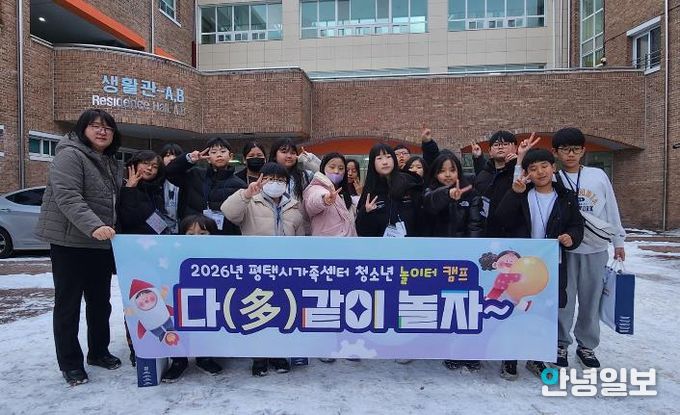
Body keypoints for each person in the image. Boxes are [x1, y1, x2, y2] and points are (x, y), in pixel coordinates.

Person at [36, 109, 124, 386]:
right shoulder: (70, 155)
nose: (102, 131)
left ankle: (98, 352)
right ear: (82, 129)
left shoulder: (110, 161)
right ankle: (70, 363)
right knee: (68, 305)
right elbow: (68, 196)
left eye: (107, 127)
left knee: (100, 303)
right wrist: (94, 226)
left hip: (100, 243)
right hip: (70, 242)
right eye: (95, 126)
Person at [495, 148, 584, 380]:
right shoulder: (522, 193)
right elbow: (501, 220)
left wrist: (571, 237)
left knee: (544, 312)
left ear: (553, 168)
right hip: (521, 267)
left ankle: (535, 357)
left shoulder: (566, 197)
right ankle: (510, 357)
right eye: (533, 169)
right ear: (527, 173)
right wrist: (514, 194)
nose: (540, 172)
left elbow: (577, 226)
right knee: (516, 310)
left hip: (552, 265)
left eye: (544, 166)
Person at [552, 127, 626, 368]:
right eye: (565, 149)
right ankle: (560, 343)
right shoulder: (553, 178)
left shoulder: (598, 176)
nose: (570, 154)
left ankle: (587, 345)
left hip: (595, 248)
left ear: (583, 150)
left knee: (591, 300)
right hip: (565, 250)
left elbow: (611, 207)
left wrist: (618, 240)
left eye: (575, 149)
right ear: (556, 152)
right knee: (564, 300)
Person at [221, 162, 304, 375]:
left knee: (281, 311)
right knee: (257, 312)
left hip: (284, 269)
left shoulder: (294, 206)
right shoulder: (250, 201)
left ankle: (278, 355)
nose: (275, 183)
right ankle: (259, 358)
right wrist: (246, 194)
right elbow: (228, 212)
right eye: (270, 178)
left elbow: (301, 239)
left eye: (281, 180)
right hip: (256, 268)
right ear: (261, 179)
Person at [422, 152, 483, 371]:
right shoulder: (429, 191)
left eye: (452, 170)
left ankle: (470, 351)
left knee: (465, 307)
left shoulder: (471, 194)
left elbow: (475, 226)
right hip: (438, 260)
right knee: (444, 306)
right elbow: (430, 204)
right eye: (442, 171)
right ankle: (450, 349)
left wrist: (471, 255)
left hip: (464, 263)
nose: (447, 175)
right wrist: (448, 194)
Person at [160, 215, 225, 382]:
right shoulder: (174, 253)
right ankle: (178, 361)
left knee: (206, 326)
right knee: (179, 327)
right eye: (190, 234)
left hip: (207, 298)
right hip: (181, 299)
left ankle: (204, 358)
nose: (196, 237)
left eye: (203, 234)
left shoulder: (218, 252)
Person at [165, 137, 246, 235]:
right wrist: (189, 159)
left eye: (223, 151)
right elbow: (169, 173)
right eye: (214, 152)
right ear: (208, 159)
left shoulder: (239, 185)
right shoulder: (194, 175)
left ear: (231, 156)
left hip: (225, 236)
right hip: (194, 233)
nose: (219, 155)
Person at [356, 143, 424, 238]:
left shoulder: (409, 182)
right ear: (372, 163)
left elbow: (421, 216)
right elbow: (362, 231)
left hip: (410, 243)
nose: (385, 162)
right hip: (380, 244)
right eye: (379, 158)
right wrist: (366, 213)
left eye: (388, 157)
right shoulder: (370, 189)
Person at [472, 131, 519, 237]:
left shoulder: (520, 171)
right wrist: (478, 158)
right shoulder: (483, 174)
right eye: (496, 145)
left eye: (505, 144)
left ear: (515, 148)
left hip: (512, 234)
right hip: (486, 232)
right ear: (490, 151)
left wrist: (515, 164)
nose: (500, 147)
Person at [304, 152, 357, 237]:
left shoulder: (343, 192)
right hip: (325, 242)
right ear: (323, 168)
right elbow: (312, 202)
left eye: (341, 168)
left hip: (346, 242)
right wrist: (324, 199)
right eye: (332, 167)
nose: (336, 171)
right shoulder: (315, 188)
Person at [159, 143, 183, 234]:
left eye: (176, 155)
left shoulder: (188, 178)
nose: (172, 158)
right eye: (167, 155)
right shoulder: (156, 180)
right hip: (160, 230)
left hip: (183, 228)